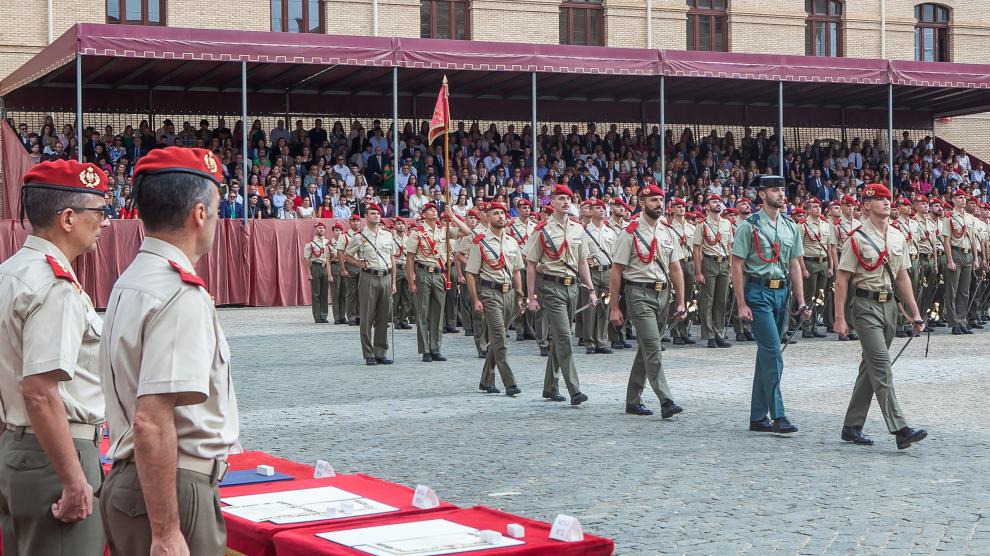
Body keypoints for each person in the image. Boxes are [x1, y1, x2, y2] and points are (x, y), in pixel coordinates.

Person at [100, 147, 238, 554]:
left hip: (136, 478)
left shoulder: (132, 280)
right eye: (216, 208)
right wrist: (166, 531)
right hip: (172, 486)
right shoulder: (179, 293)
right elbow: (152, 420)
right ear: (199, 214)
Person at [0, 160, 110, 555]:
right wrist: (75, 478)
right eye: (98, 212)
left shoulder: (10, 273)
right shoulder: (53, 285)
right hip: (57, 453)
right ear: (67, 218)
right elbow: (41, 391)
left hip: (19, 448)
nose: (105, 222)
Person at [833, 183, 928, 449]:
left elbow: (902, 277)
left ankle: (851, 426)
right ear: (866, 205)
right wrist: (840, 317)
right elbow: (842, 281)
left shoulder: (898, 236)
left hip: (889, 308)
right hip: (865, 307)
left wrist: (915, 313)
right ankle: (899, 428)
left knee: (870, 369)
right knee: (882, 367)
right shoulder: (856, 238)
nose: (887, 203)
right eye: (880, 199)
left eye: (889, 199)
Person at [730, 175, 810, 434]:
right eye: (775, 190)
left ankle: (757, 416)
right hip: (757, 292)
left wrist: (801, 301)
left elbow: (795, 264)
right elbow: (737, 266)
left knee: (767, 354)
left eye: (782, 189)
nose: (781, 194)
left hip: (781, 293)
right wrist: (741, 303)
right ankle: (778, 414)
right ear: (762, 194)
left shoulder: (790, 226)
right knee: (774, 352)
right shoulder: (749, 226)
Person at [609, 184, 687, 418]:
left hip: (662, 294)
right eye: (652, 200)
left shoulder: (667, 231)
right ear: (642, 203)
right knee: (653, 346)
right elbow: (616, 271)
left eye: (660, 200)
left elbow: (676, 268)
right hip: (638, 293)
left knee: (646, 347)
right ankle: (666, 399)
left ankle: (633, 400)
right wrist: (614, 307)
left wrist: (681, 300)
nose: (658, 204)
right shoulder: (629, 232)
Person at [525, 184, 597, 405]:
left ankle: (550, 387)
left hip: (572, 287)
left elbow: (582, 261)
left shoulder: (577, 229)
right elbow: (531, 263)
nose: (566, 203)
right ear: (552, 203)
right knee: (565, 335)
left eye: (569, 199)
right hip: (551, 287)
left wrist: (591, 289)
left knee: (559, 337)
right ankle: (574, 389)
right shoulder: (542, 230)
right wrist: (530, 296)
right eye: (561, 199)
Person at [465, 202, 526, 396]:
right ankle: (510, 382)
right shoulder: (480, 242)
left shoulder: (512, 242)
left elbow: (516, 270)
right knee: (500, 337)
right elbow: (471, 273)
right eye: (495, 213)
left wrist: (519, 295)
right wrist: (475, 299)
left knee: (497, 339)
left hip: (508, 293)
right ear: (488, 218)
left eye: (502, 213)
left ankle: (486, 380)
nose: (500, 216)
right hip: (489, 292)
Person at [406, 204, 462, 361]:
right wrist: (412, 281)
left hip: (439, 274)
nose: (434, 211)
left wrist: (453, 217)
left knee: (438, 312)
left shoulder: (444, 229)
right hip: (423, 272)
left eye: (435, 210)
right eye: (430, 209)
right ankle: (425, 350)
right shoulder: (417, 233)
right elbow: (410, 259)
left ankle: (435, 348)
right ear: (423, 214)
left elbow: (466, 232)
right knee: (422, 312)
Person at [343, 203, 397, 365]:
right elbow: (347, 255)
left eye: (378, 213)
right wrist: (359, 264)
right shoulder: (360, 237)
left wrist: (393, 281)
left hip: (386, 277)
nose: (376, 216)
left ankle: (381, 351)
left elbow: (392, 258)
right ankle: (368, 353)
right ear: (366, 217)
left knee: (383, 316)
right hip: (369, 277)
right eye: (372, 213)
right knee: (366, 316)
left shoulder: (387, 235)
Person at [693, 193, 733, 348]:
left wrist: (730, 267)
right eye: (714, 201)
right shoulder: (701, 225)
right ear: (707, 205)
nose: (717, 204)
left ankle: (719, 333)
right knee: (708, 300)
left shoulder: (727, 224)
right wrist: (698, 272)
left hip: (723, 263)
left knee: (722, 300)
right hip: (709, 262)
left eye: (719, 201)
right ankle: (709, 335)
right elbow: (696, 249)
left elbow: (729, 246)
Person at [941, 189, 980, 335]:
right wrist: (949, 260)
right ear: (954, 200)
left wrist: (975, 258)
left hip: (968, 254)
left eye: (964, 198)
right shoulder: (949, 217)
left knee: (964, 290)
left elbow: (973, 239)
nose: (963, 200)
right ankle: (953, 322)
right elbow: (946, 240)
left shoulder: (970, 218)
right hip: (955, 253)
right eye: (960, 197)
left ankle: (962, 319)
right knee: (952, 290)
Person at [797, 198, 834, 338]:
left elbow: (829, 247)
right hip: (809, 262)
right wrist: (802, 268)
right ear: (807, 210)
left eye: (819, 206)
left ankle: (814, 326)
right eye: (814, 207)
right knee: (809, 294)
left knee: (820, 295)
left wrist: (830, 266)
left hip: (823, 262)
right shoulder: (802, 225)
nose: (818, 209)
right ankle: (806, 326)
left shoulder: (825, 225)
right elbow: (799, 248)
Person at [583, 198, 615, 354]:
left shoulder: (610, 232)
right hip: (592, 271)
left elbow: (615, 254)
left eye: (603, 208)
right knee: (591, 306)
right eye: (597, 208)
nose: (601, 210)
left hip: (608, 270)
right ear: (591, 211)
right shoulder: (584, 231)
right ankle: (589, 341)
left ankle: (601, 340)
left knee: (605, 306)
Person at [666, 198, 696, 345]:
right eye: (678, 207)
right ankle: (675, 331)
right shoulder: (669, 227)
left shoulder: (691, 227)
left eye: (683, 207)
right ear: (672, 210)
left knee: (688, 296)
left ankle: (684, 329)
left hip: (689, 261)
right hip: (676, 263)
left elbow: (697, 248)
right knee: (677, 296)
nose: (681, 209)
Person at [507, 199, 538, 342]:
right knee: (519, 295)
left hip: (531, 265)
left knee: (531, 296)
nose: (527, 210)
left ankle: (529, 327)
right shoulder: (511, 226)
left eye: (528, 207)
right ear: (518, 209)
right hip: (518, 266)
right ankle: (519, 328)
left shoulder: (535, 226)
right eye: (523, 207)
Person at [337, 215, 363, 325]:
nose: (356, 223)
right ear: (350, 222)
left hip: (361, 265)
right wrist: (343, 269)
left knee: (361, 293)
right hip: (350, 265)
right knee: (351, 293)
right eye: (354, 221)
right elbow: (340, 253)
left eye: (358, 221)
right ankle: (351, 317)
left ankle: (360, 316)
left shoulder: (363, 235)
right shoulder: (344, 236)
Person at [304, 221, 332, 323]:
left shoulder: (328, 242)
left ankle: (324, 315)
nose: (321, 230)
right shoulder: (310, 243)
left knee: (324, 292)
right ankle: (317, 316)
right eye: (319, 228)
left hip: (325, 267)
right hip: (315, 267)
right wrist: (309, 273)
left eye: (323, 228)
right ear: (315, 230)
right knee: (316, 293)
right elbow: (306, 259)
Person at [390, 218, 413, 329]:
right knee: (396, 296)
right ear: (394, 226)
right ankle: (396, 320)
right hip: (397, 268)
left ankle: (404, 319)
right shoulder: (391, 239)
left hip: (407, 268)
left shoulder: (409, 239)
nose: (401, 225)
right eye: (398, 223)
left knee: (407, 296)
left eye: (402, 224)